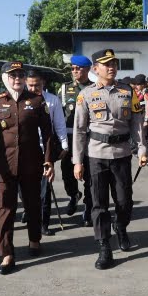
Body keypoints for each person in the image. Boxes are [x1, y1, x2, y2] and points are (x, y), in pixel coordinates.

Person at [72, 49, 147, 270]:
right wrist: (78, 161)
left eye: (114, 63)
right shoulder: (86, 94)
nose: (112, 67)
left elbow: (137, 123)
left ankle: (121, 227)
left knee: (124, 201)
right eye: (106, 64)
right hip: (96, 154)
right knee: (99, 203)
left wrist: (142, 149)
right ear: (96, 69)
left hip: (122, 154)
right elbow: (79, 130)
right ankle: (104, 246)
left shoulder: (128, 91)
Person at [0, 61, 54, 275]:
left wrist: (49, 160)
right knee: (5, 209)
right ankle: (6, 253)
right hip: (4, 165)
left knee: (33, 204)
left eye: (21, 75)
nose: (17, 79)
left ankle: (34, 239)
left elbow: (48, 133)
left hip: (31, 163)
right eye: (13, 75)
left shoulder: (36, 100)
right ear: (4, 78)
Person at [26, 69, 68, 237]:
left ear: (43, 83)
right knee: (27, 189)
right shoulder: (21, 100)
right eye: (30, 85)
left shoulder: (52, 100)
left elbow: (59, 123)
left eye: (37, 85)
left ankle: (44, 223)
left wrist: (64, 144)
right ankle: (30, 215)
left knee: (45, 189)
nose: (33, 88)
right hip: (26, 150)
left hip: (45, 150)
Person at [59, 55, 94, 226]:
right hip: (70, 137)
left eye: (77, 68)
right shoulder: (65, 89)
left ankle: (88, 206)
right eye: (72, 68)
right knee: (67, 172)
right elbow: (58, 115)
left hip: (90, 138)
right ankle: (73, 195)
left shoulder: (95, 88)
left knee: (89, 174)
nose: (74, 71)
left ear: (87, 69)